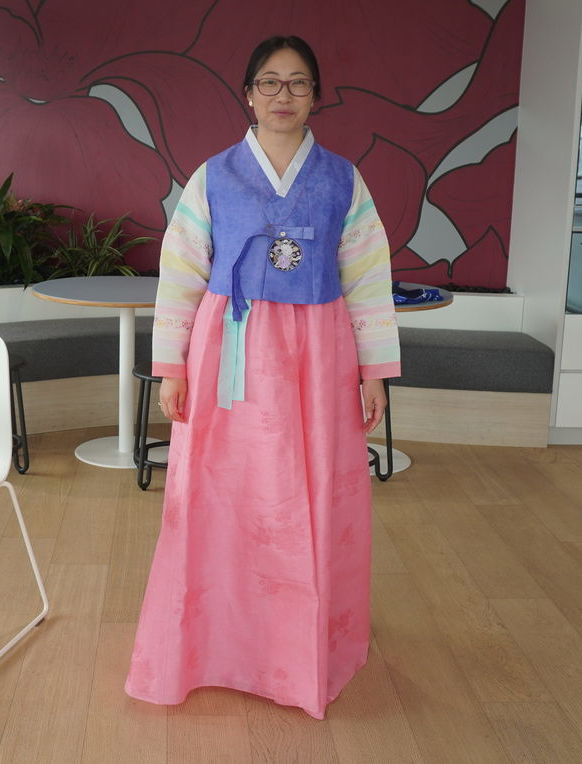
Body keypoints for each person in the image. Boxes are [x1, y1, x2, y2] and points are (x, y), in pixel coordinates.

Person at [124, 35, 400, 720]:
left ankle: (301, 647)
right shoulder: (212, 176)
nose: (283, 96)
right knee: (220, 492)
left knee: (311, 493)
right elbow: (181, 271)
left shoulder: (341, 179)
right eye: (269, 83)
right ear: (247, 95)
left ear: (315, 96)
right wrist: (171, 365)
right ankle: (214, 642)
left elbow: (367, 276)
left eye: (298, 83)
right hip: (231, 352)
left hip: (318, 352)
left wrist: (374, 372)